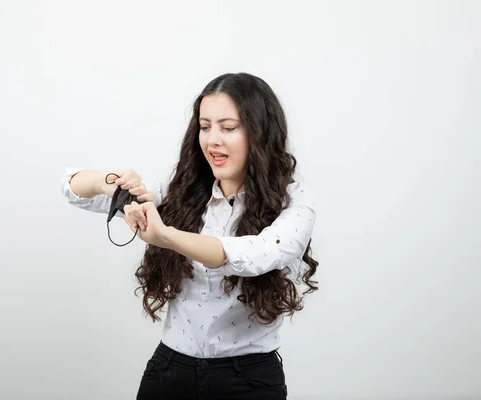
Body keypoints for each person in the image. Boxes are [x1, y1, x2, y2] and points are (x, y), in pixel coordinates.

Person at [61, 72, 318, 400]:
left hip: (249, 381)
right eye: (205, 126)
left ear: (260, 132)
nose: (213, 140)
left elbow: (257, 254)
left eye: (228, 128)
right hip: (170, 372)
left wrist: (167, 236)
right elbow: (71, 187)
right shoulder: (181, 191)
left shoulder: (294, 202)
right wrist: (108, 185)